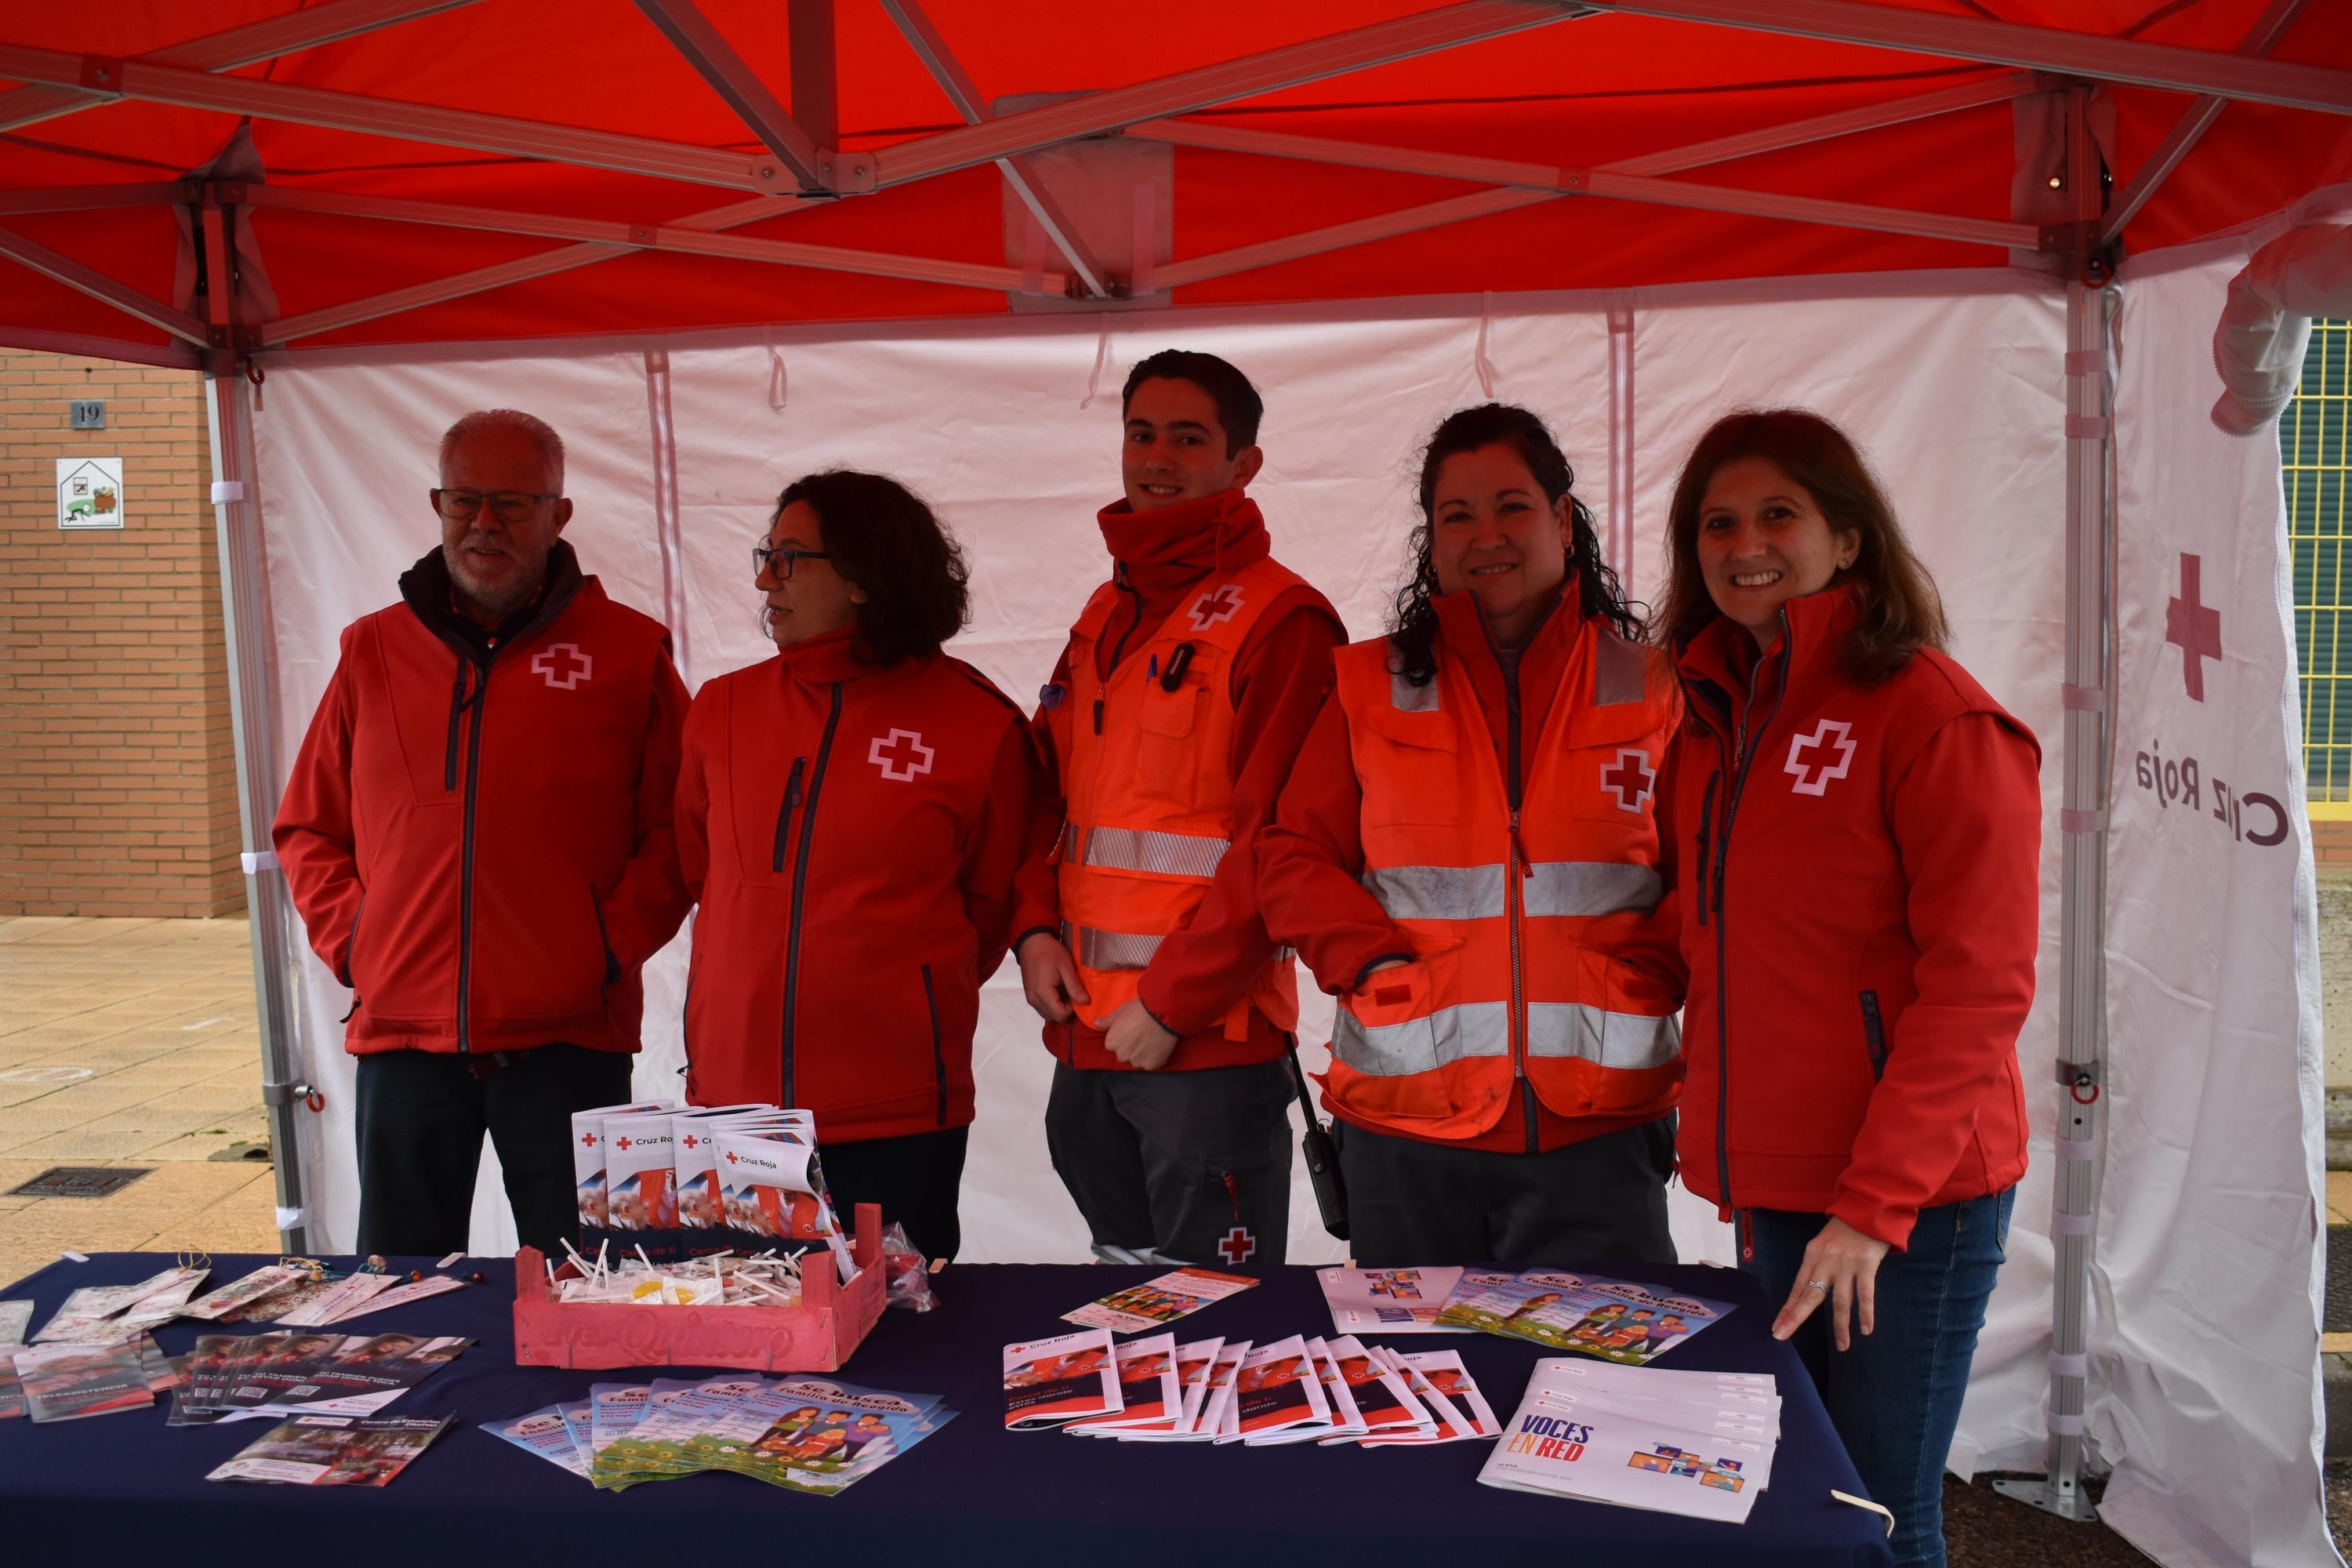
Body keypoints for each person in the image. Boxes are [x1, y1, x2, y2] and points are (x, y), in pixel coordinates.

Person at [1656, 408, 2036, 1568]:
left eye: (1780, 514)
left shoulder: (1934, 714)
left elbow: (1980, 988)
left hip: (1904, 1206)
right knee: (1803, 1506)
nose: (1745, 543)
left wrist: (1873, 1209)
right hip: (1779, 1186)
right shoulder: (1717, 717)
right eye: (1717, 523)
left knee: (1877, 1518)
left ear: (1851, 539)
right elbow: (1706, 936)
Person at [1256, 402, 1684, 1268]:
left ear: (1562, 520)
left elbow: (1714, 872)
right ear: (1433, 540)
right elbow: (1292, 855)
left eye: (1511, 505)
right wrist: (1367, 960)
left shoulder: (1657, 687)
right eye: (1457, 515)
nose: (1486, 533)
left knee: (1595, 1399)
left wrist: (1656, 965)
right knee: (1417, 1393)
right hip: (1405, 1139)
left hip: (1598, 1134)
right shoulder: (1368, 687)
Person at [275, 408, 691, 1258]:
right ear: (437, 503)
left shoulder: (627, 653)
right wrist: (360, 944)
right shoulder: (374, 652)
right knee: (400, 1291)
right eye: (465, 501)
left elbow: (683, 828)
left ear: (559, 514)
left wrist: (604, 948)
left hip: (570, 1038)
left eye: (510, 502)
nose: (484, 525)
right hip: (405, 1038)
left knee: (588, 1287)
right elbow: (308, 824)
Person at [1014, 350, 1347, 1266]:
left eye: (1188, 438)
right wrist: (1032, 929)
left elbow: (1280, 842)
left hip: (1204, 1047)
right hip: (1085, 1038)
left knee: (1220, 1335)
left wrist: (1172, 1002)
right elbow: (1047, 796)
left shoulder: (1284, 622)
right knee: (1122, 1309)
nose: (1156, 457)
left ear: (1243, 466)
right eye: (1141, 432)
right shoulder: (1101, 612)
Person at [674, 470, 1036, 1264]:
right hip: (738, 1108)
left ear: (868, 575)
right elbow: (701, 870)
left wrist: (889, 990)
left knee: (902, 1349)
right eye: (767, 554)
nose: (766, 577)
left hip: (898, 1114)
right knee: (746, 1351)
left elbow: (989, 908)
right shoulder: (722, 710)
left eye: (792, 557)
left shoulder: (978, 724)